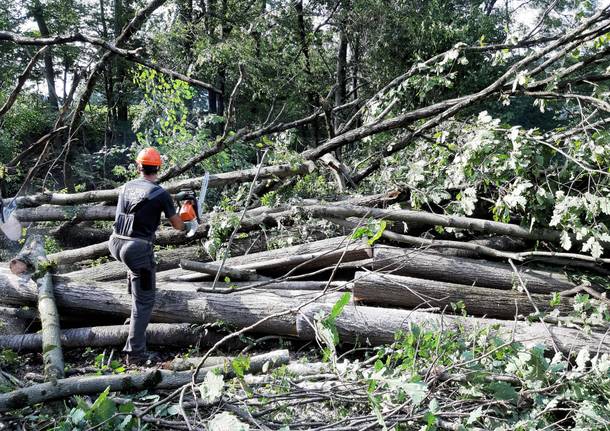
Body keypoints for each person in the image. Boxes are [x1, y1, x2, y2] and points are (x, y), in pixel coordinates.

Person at [109, 147, 193, 365]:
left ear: (139, 167)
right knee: (145, 300)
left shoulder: (126, 187)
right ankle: (135, 353)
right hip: (136, 249)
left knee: (136, 279)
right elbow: (178, 226)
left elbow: (137, 208)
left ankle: (132, 321)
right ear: (158, 168)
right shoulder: (161, 194)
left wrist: (172, 201)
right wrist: (186, 214)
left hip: (116, 243)